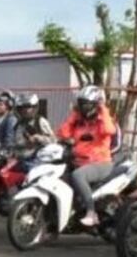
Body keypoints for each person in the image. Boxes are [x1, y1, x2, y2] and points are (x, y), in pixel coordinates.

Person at [57, 85, 117, 227]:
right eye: (81, 104)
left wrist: (103, 110)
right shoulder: (79, 122)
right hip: (79, 161)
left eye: (87, 104)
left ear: (96, 104)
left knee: (78, 175)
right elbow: (62, 133)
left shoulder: (103, 121)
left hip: (100, 163)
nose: (84, 108)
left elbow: (109, 130)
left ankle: (91, 212)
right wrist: (73, 116)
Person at [13, 93, 55, 171]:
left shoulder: (40, 121)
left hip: (38, 160)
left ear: (35, 108)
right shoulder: (19, 125)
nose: (25, 110)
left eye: (28, 107)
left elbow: (53, 140)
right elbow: (16, 142)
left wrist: (39, 138)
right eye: (22, 107)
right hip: (21, 159)